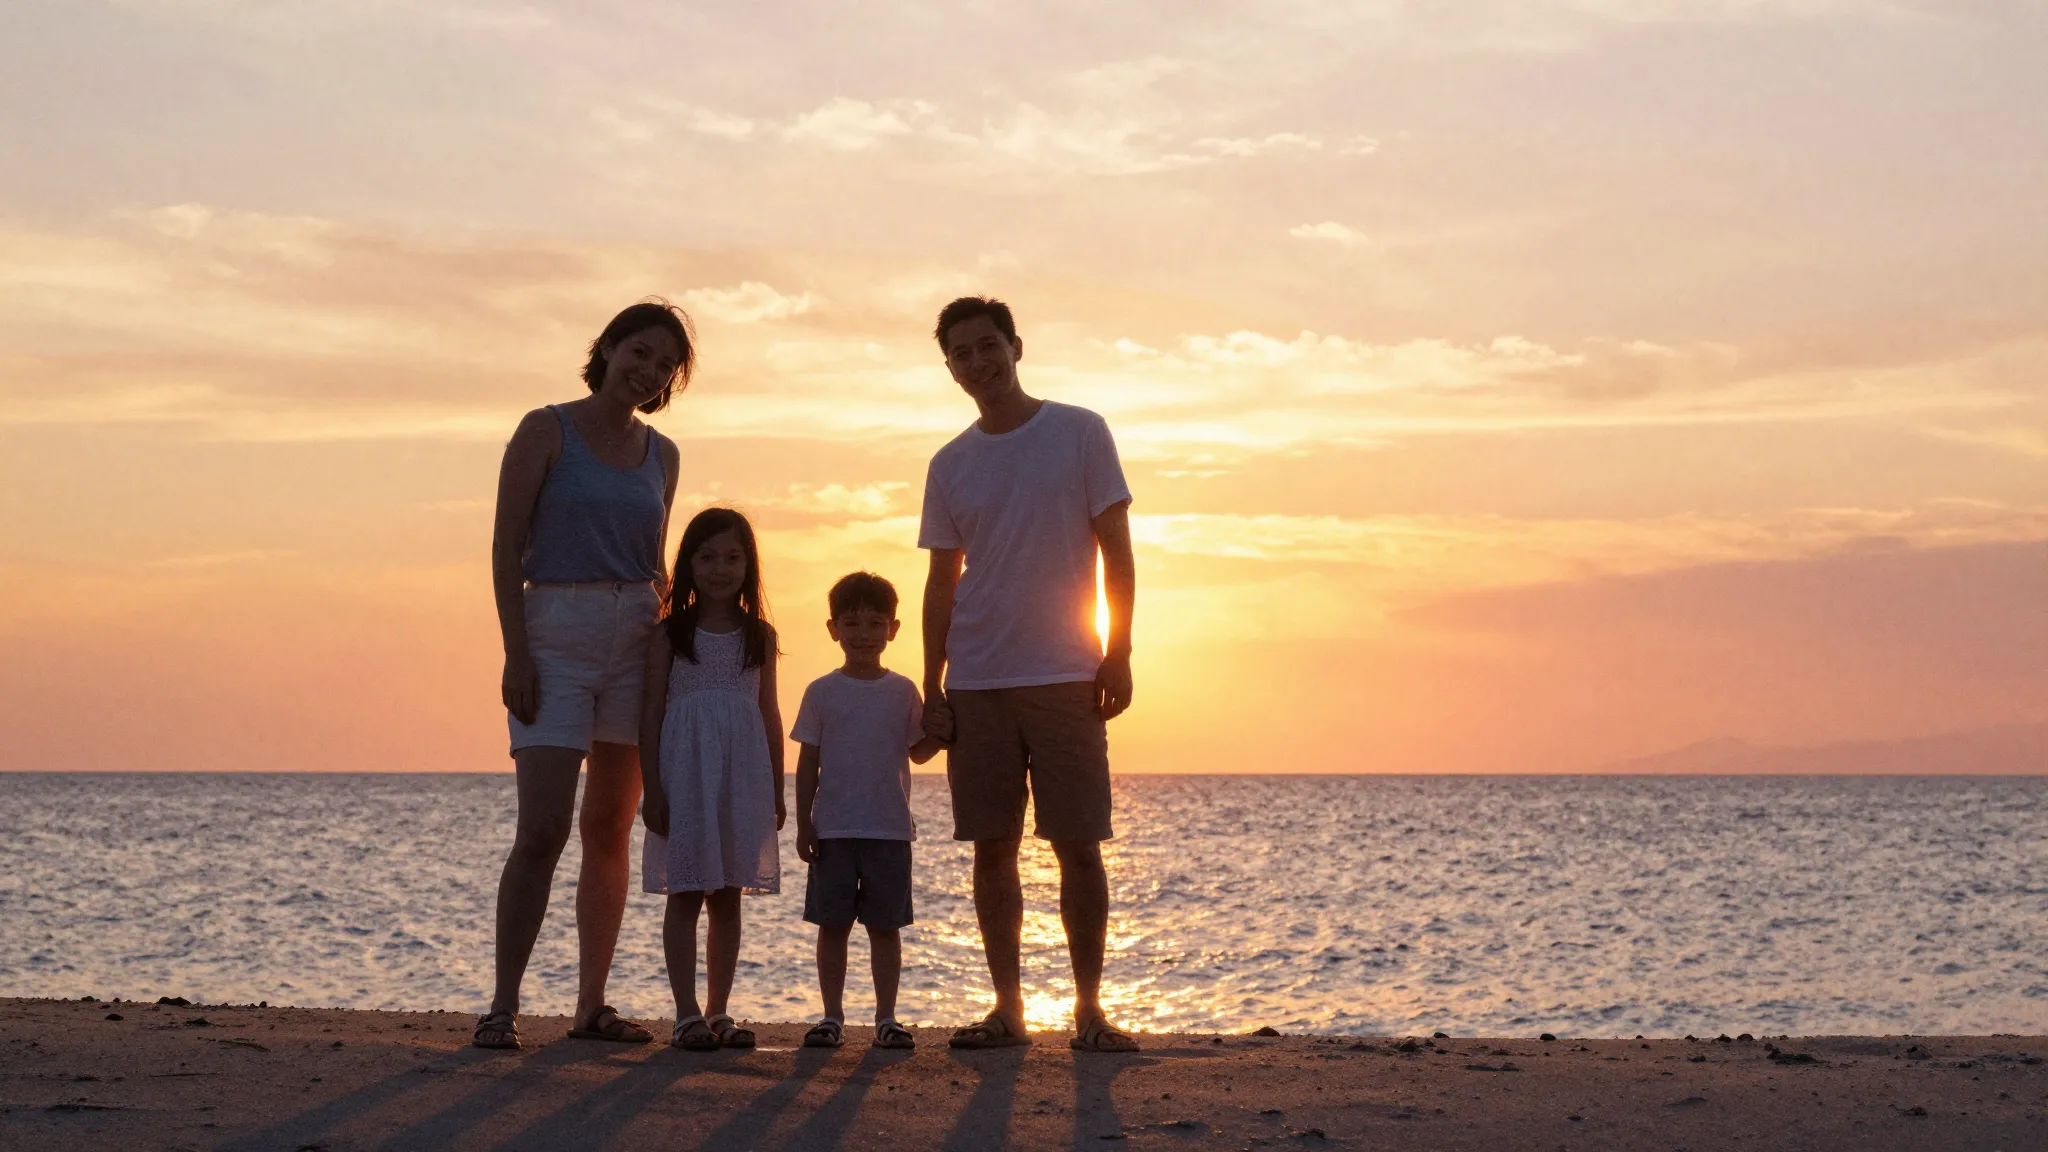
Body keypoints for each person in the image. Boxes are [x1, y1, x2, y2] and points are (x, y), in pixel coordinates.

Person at [917, 296, 1140, 1053]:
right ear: (949, 369)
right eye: (962, 355)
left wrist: (1120, 649)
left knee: (1078, 842)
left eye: (989, 347)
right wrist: (931, 684)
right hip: (977, 678)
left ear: (1016, 346)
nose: (979, 363)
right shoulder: (949, 464)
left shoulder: (1080, 432)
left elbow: (1116, 548)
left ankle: (1089, 1011)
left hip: (1066, 671)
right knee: (992, 847)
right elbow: (942, 583)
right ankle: (1008, 1010)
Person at [476, 300, 691, 1051]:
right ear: (606, 349)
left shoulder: (663, 454)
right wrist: (516, 651)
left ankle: (590, 1006)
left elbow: (658, 565)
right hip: (553, 633)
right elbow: (505, 549)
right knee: (541, 827)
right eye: (639, 352)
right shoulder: (546, 429)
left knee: (610, 826)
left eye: (665, 364)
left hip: (635, 634)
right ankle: (502, 1005)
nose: (648, 370)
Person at [639, 507, 786, 1051]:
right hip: (686, 777)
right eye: (707, 557)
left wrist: (776, 787)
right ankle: (686, 1013)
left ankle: (720, 1010)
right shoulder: (669, 636)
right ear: (688, 564)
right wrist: (652, 789)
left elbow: (769, 713)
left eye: (732, 557)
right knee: (686, 891)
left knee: (728, 895)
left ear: (749, 565)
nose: (720, 568)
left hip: (742, 779)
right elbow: (650, 714)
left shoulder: (760, 636)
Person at [792, 572, 946, 1051]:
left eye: (875, 624)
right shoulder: (821, 691)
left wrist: (949, 725)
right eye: (852, 623)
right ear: (832, 628)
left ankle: (887, 1017)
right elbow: (807, 762)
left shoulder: (902, 692)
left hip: (889, 829)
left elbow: (919, 752)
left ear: (893, 630)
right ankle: (831, 1016)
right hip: (833, 828)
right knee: (831, 925)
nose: (863, 634)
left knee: (885, 927)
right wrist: (803, 824)